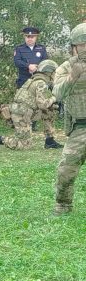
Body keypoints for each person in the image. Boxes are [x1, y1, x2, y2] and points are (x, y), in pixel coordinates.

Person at [51, 23, 86, 215]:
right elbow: (56, 93)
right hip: (80, 127)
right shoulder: (66, 67)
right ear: (74, 46)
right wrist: (73, 77)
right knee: (66, 170)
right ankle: (63, 205)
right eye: (82, 44)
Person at [0, 60, 62, 151]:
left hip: (25, 112)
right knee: (24, 145)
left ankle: (50, 140)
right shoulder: (41, 83)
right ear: (49, 72)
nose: (55, 75)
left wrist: (52, 104)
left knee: (50, 109)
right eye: (54, 72)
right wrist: (54, 98)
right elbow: (43, 105)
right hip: (21, 114)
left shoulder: (33, 80)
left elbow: (43, 104)